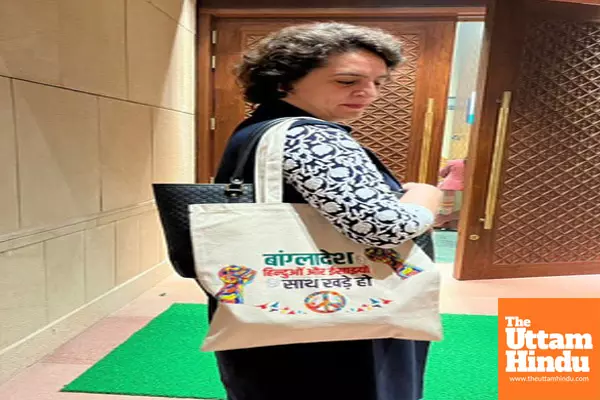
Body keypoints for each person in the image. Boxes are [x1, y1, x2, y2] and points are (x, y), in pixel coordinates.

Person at [211, 22, 443, 400]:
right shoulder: (312, 135)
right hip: (339, 318)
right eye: (347, 80)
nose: (367, 92)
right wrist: (425, 196)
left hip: (281, 302)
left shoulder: (259, 127)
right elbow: (382, 228)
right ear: (285, 80)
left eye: (378, 82)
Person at [434, 159, 466, 231]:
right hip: (463, 188)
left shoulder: (453, 162)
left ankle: (437, 224)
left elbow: (442, 173)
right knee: (458, 208)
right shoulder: (472, 164)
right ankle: (453, 226)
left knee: (444, 208)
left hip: (448, 187)